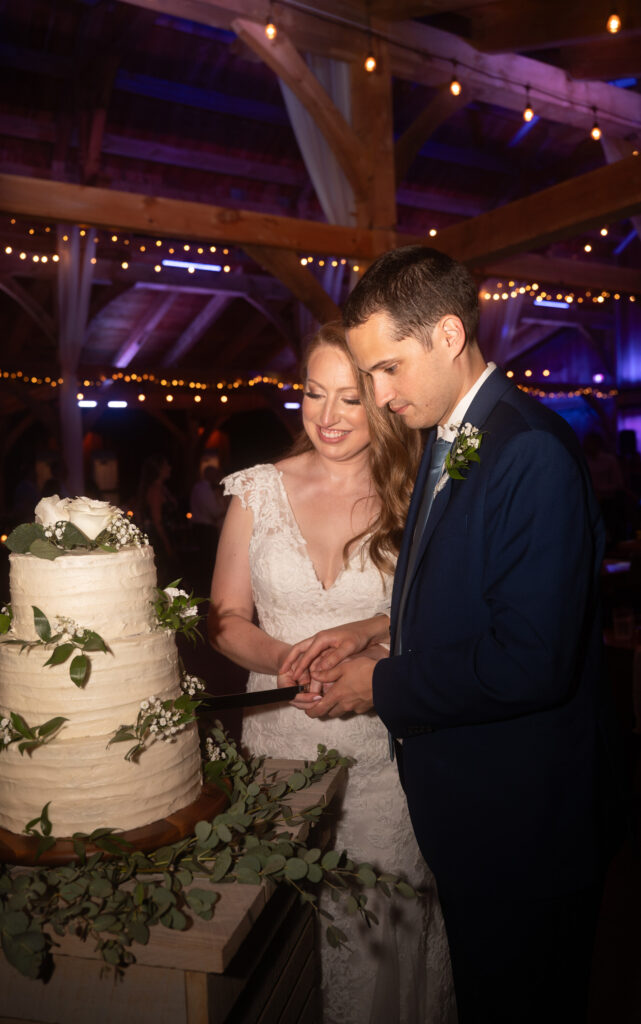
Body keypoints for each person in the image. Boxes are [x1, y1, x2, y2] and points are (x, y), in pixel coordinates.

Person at [282, 247, 623, 1024]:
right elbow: (458, 593)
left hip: (526, 825)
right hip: (476, 814)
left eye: (386, 369)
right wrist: (379, 633)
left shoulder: (526, 448)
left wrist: (381, 682)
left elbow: (529, 661)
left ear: (445, 334)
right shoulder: (457, 432)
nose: (377, 395)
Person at [208, 322, 456, 1024]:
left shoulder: (419, 495)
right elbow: (224, 617)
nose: (325, 416)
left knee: (378, 935)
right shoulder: (256, 490)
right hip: (275, 749)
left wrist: (373, 636)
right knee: (282, 940)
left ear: (381, 400)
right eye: (313, 393)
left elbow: (442, 618)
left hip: (381, 762)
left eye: (349, 398)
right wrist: (280, 659)